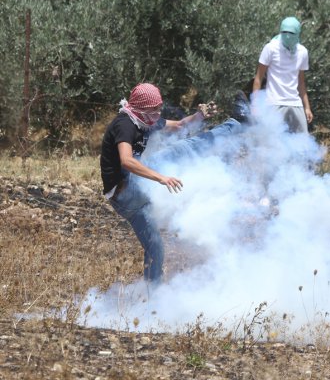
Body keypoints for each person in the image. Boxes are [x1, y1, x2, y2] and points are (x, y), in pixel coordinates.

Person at [100, 82, 245, 283]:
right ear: (142, 108)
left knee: (155, 248)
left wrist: (199, 116)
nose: (158, 113)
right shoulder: (125, 124)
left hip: (131, 202)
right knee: (182, 150)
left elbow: (178, 126)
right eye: (155, 109)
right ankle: (237, 124)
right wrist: (161, 177)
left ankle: (153, 302)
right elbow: (126, 160)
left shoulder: (145, 120)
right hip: (127, 190)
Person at [252, 16, 313, 133]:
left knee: (302, 144)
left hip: (295, 103)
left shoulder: (303, 52)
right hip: (274, 103)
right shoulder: (270, 48)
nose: (288, 35)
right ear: (280, 31)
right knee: (272, 144)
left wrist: (307, 107)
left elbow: (301, 82)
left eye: (291, 32)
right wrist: (255, 104)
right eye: (284, 32)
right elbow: (258, 78)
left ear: (298, 33)